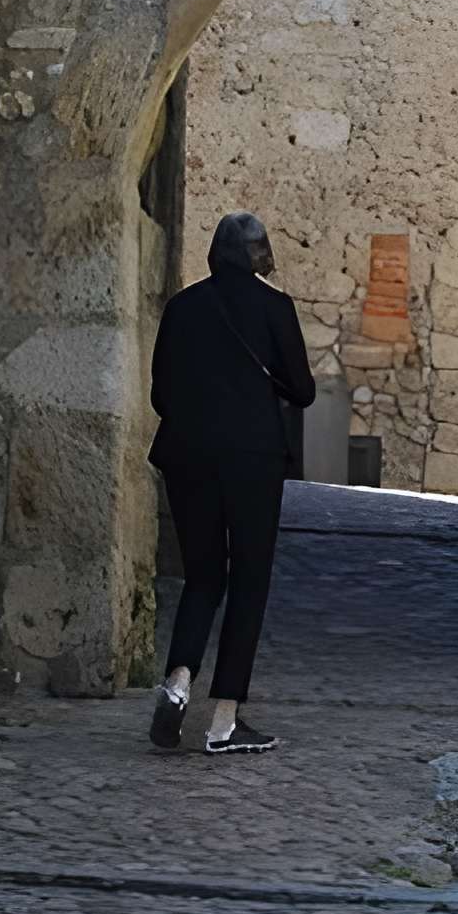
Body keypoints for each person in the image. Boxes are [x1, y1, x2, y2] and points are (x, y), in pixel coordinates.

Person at [147, 211, 315, 756]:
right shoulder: (275, 308)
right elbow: (304, 390)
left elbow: (160, 395)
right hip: (252, 461)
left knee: (201, 577)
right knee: (248, 581)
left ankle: (176, 683)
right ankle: (223, 720)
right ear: (259, 254)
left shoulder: (181, 307)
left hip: (187, 457)